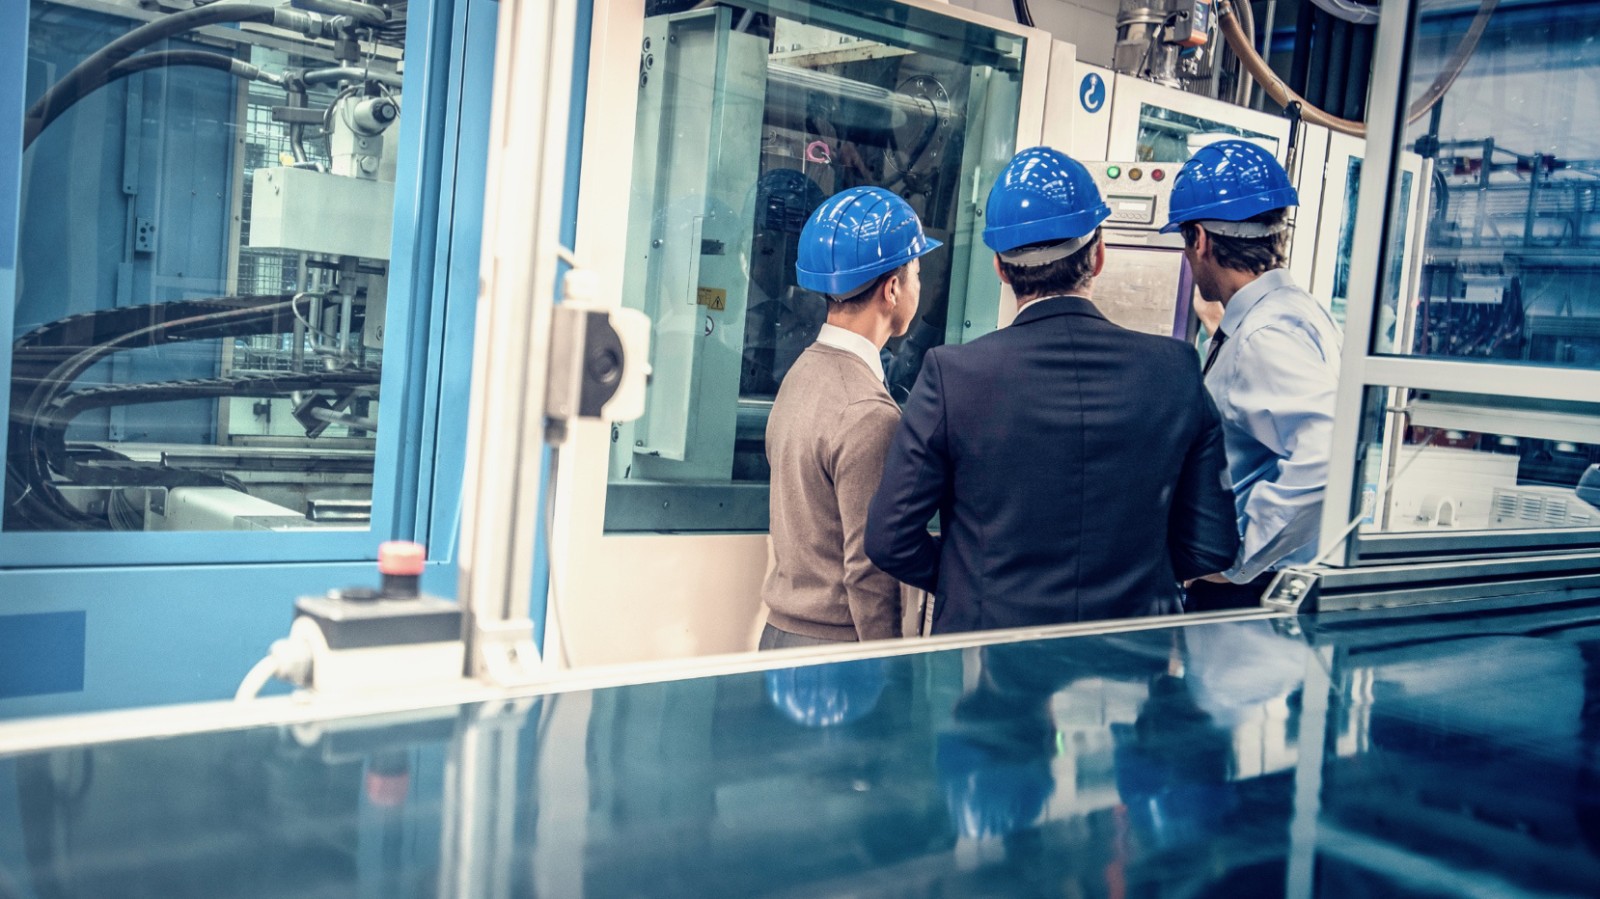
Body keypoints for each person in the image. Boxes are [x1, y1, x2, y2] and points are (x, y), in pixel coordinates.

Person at [864, 147, 1238, 634]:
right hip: (1130, 662)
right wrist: (1137, 583)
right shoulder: (1175, 370)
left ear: (1000, 266)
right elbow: (1213, 545)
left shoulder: (953, 375)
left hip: (988, 661)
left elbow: (889, 538)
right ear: (1098, 254)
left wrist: (977, 586)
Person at [1161, 140, 1342, 610]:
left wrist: (1237, 558)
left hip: (1248, 595)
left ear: (1198, 239)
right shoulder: (1291, 311)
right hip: (1269, 586)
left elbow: (1326, 453)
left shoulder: (1262, 337)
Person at [759, 185, 942, 649]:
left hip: (780, 636)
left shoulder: (801, 374)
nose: (919, 286)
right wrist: (883, 666)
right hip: (835, 652)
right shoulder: (866, 413)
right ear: (893, 288)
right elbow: (867, 569)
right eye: (917, 272)